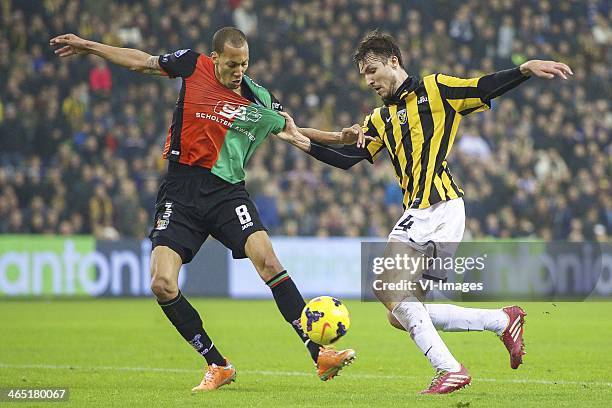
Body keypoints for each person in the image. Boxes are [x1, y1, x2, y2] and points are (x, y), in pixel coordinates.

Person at [50, 27, 361, 392]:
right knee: (161, 284)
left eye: (244, 63)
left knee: (269, 261)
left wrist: (339, 137)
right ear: (215, 58)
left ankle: (318, 353)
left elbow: (294, 132)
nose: (239, 71)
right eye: (232, 64)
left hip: (227, 193)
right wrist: (90, 46)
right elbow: (142, 62)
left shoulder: (259, 98)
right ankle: (217, 364)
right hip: (180, 192)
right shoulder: (191, 65)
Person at [279, 30, 573, 394]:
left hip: (436, 207)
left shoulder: (436, 90)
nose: (369, 80)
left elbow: (482, 86)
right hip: (431, 214)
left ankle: (450, 369)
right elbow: (347, 158)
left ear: (393, 61)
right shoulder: (379, 119)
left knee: (386, 287)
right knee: (399, 313)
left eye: (372, 70)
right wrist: (299, 140)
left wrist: (524, 70)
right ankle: (502, 320)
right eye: (363, 75)